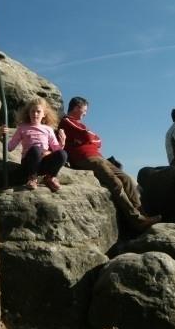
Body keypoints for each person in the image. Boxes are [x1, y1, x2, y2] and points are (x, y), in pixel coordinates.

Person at [59, 97, 161, 232]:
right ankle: (136, 220)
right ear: (77, 107)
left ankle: (143, 215)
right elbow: (89, 137)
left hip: (100, 158)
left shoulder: (81, 125)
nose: (85, 113)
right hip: (84, 158)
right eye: (85, 110)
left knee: (127, 179)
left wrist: (87, 139)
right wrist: (87, 139)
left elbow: (99, 141)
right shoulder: (66, 121)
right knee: (116, 183)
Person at [3, 98, 68, 192]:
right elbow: (10, 147)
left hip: (42, 163)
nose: (35, 114)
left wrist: (62, 143)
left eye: (38, 111)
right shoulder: (23, 128)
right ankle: (32, 177)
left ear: (44, 114)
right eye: (32, 111)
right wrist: (3, 137)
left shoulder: (48, 129)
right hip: (29, 163)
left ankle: (50, 177)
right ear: (28, 113)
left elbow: (56, 149)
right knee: (36, 149)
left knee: (63, 154)